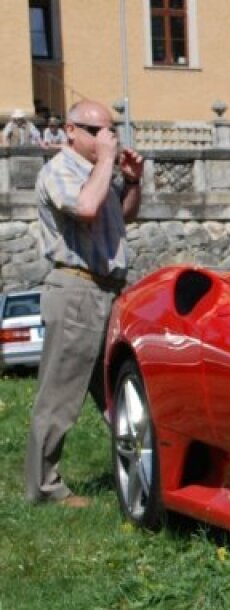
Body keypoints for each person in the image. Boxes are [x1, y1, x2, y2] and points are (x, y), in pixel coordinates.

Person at [24, 100, 143, 508]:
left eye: (110, 130)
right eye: (96, 131)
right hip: (75, 290)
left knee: (119, 392)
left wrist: (133, 182)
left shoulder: (99, 173)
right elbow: (88, 210)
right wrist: (108, 162)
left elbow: (122, 217)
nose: (105, 138)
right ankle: (43, 488)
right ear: (70, 131)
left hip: (109, 290)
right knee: (59, 394)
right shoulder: (58, 171)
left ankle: (138, 466)